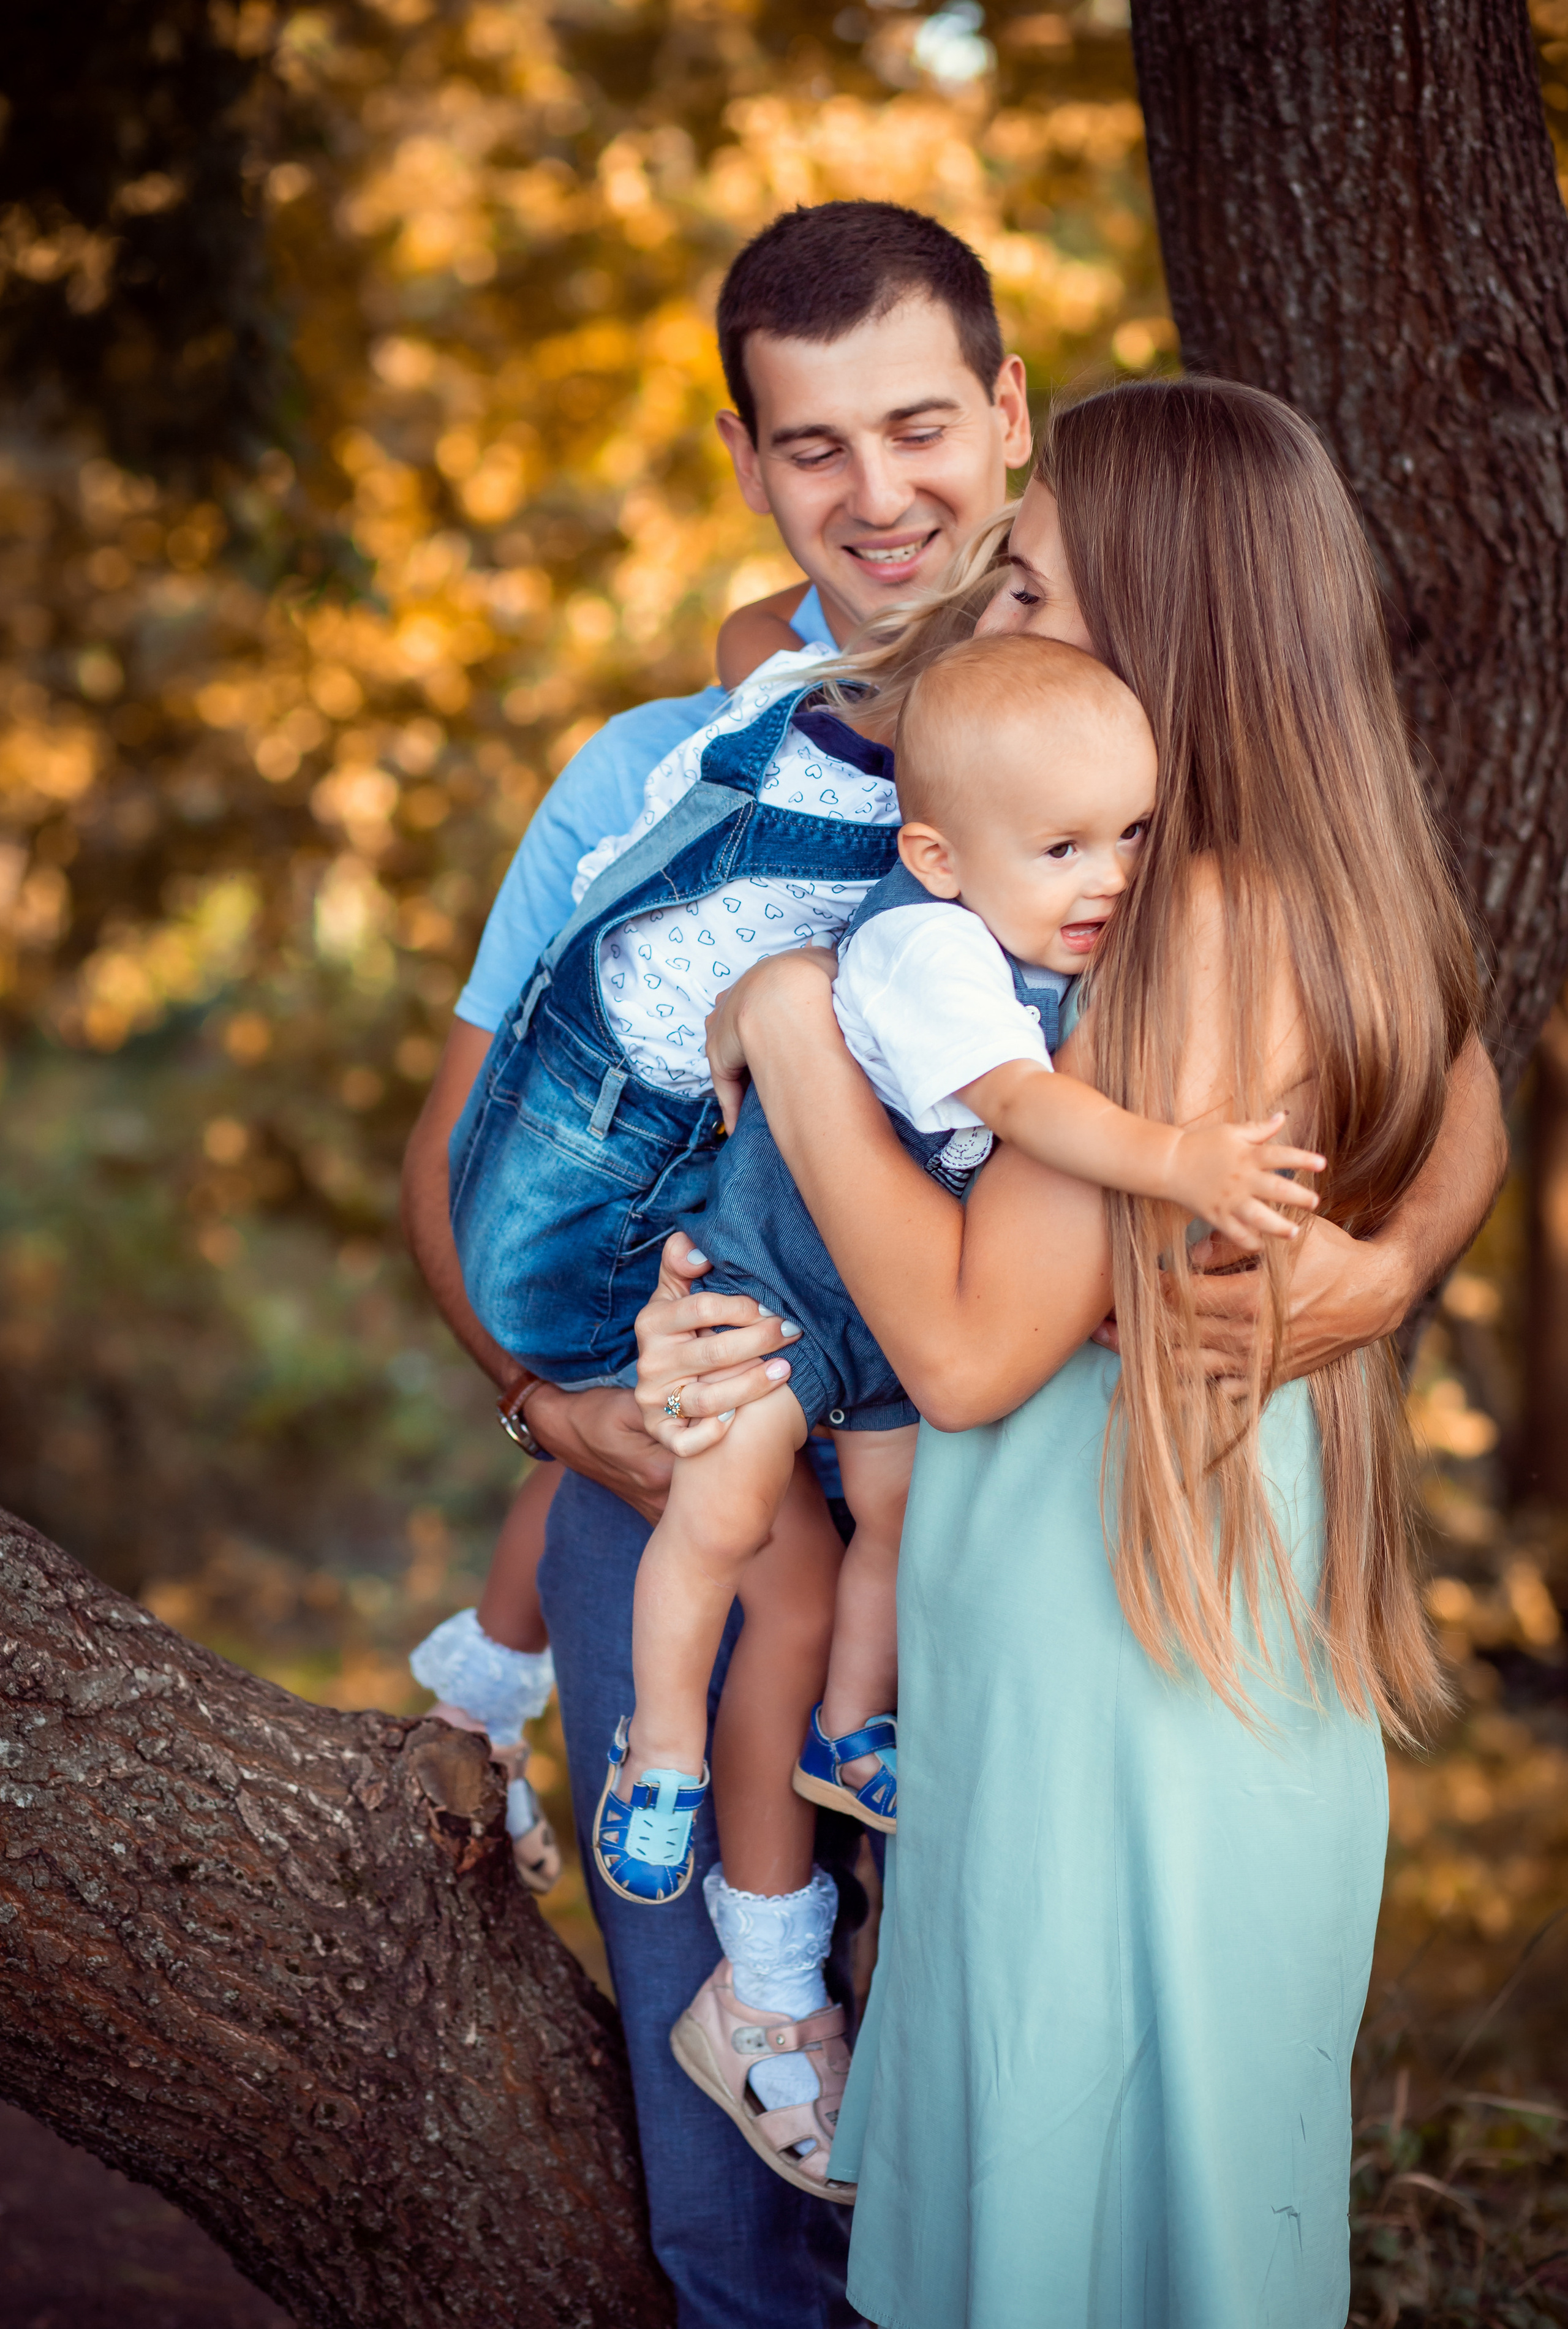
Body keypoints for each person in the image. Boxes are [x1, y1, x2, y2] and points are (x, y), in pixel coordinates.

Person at [631, 375, 1501, 2327]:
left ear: (1165, 626)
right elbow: (1473, 1094)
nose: (986, 622)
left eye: (1028, 587)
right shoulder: (1308, 894)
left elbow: (956, 1352)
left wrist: (785, 1024)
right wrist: (1399, 1254)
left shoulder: (1177, 936)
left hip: (1109, 1670)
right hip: (1189, 1649)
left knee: (1066, 2228)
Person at [401, 200, 1031, 2326]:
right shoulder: (648, 781)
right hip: (688, 1482)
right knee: (742, 2194)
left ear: (1012, 413)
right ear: (757, 466)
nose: (881, 494)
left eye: (922, 423)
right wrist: (554, 1406)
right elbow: (460, 1153)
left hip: (1002, 1515)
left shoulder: (1134, 737)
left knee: (999, 2142)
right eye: (815, 446)